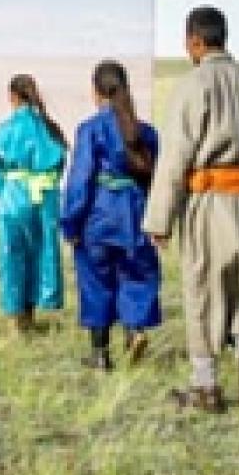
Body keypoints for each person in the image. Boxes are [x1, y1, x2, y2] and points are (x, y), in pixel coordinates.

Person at [143, 6, 239, 412]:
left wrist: (160, 218)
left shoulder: (192, 86)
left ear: (195, 41)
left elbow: (175, 155)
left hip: (210, 204)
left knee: (204, 292)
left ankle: (205, 387)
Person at [61, 60, 163, 371]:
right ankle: (134, 331)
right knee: (136, 276)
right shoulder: (145, 132)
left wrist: (70, 223)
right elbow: (157, 180)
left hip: (98, 217)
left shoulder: (89, 130)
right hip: (135, 214)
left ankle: (100, 355)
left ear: (96, 91)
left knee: (96, 281)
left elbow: (79, 180)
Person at [0, 74, 68, 335]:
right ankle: (32, 313)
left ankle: (16, 320)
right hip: (44, 198)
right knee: (39, 253)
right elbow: (60, 162)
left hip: (14, 197)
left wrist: (3, 191)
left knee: (13, 255)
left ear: (12, 97)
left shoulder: (4, 130)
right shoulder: (49, 128)